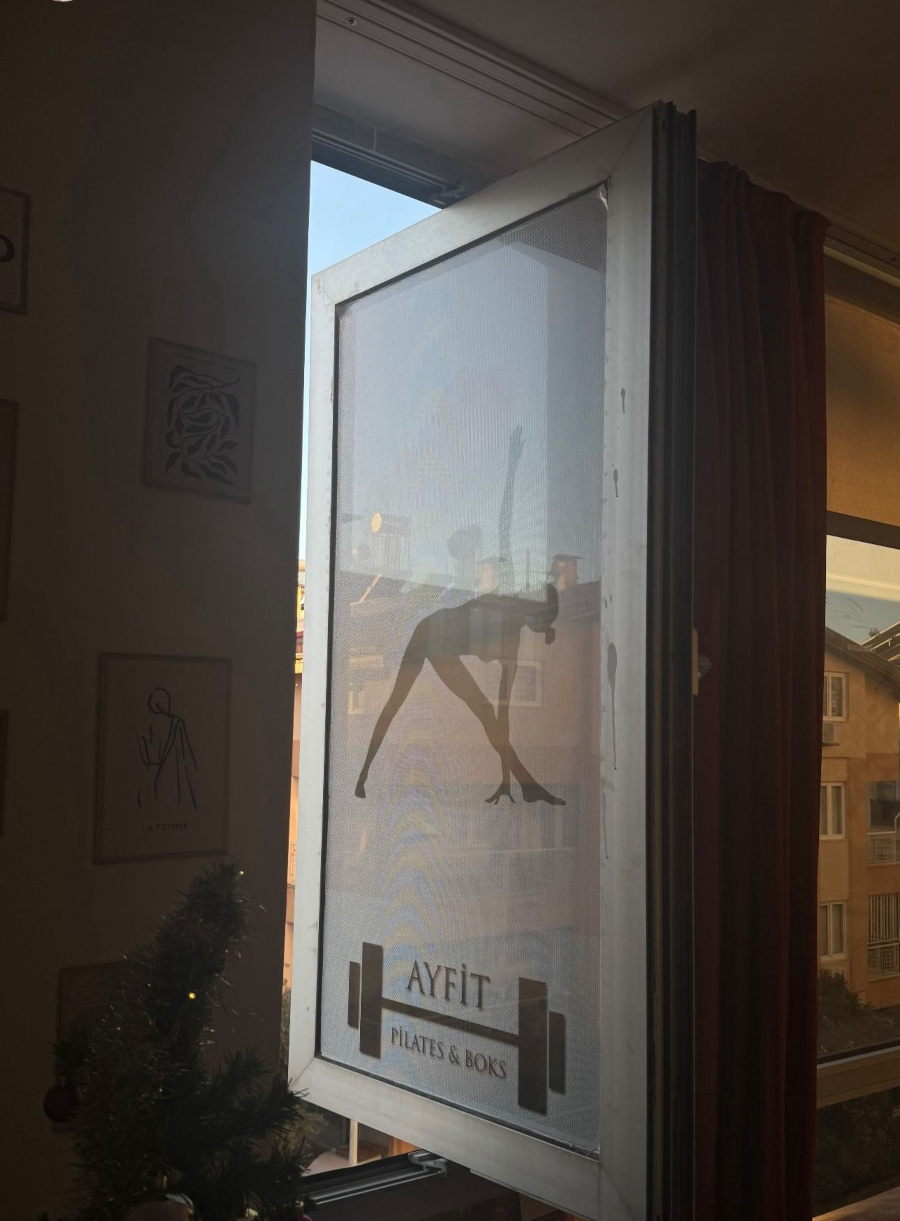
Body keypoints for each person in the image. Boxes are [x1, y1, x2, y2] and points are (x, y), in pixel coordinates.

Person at [355, 583, 564, 806]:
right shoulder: (499, 612)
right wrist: (505, 780)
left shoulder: (511, 638)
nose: (543, 628)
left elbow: (503, 714)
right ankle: (363, 774)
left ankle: (527, 785)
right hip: (427, 634)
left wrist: (505, 779)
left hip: (444, 649)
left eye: (546, 625)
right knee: (395, 703)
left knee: (486, 711)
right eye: (544, 622)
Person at [136, 687, 198, 810]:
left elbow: (142, 756)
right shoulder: (176, 723)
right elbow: (187, 757)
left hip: (148, 774)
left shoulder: (143, 725)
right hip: (169, 777)